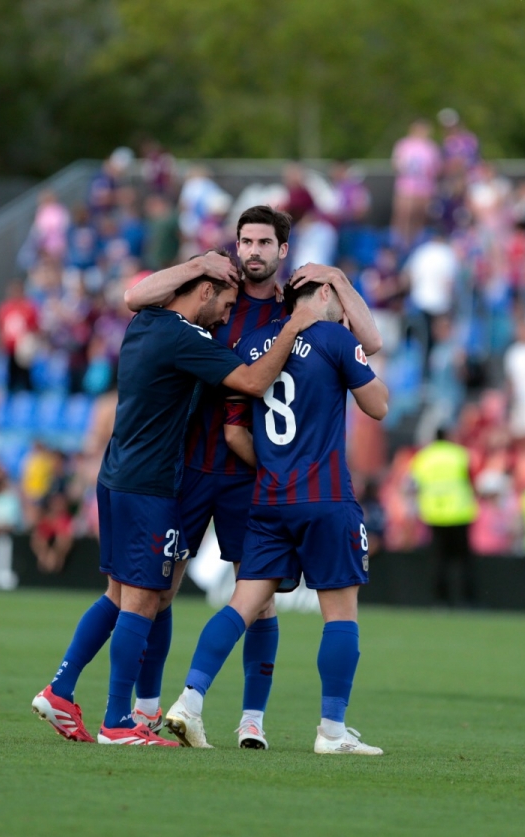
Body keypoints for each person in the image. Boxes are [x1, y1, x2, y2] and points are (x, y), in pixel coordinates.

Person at [31, 250, 318, 746]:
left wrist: (195, 265)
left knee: (118, 595)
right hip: (151, 485)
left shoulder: (146, 322)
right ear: (205, 291)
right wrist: (293, 328)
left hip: (116, 475)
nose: (228, 316)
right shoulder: (187, 339)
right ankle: (118, 721)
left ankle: (60, 689)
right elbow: (251, 381)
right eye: (225, 304)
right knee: (143, 601)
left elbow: (136, 294)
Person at [125, 207, 381, 748]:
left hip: (251, 478)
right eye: (246, 241)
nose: (254, 251)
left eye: (265, 242)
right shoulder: (218, 288)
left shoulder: (291, 310)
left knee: (256, 600)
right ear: (236, 246)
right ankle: (148, 711)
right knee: (160, 591)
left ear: (283, 250)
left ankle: (249, 721)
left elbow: (369, 339)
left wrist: (335, 279)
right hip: (197, 465)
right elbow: (138, 296)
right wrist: (199, 262)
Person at [408, 428, 479, 606]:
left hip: (434, 513)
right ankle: (466, 600)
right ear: (448, 436)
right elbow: (471, 480)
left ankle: (440, 601)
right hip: (459, 513)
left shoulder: (423, 457)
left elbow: (415, 484)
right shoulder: (460, 454)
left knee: (439, 560)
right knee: (463, 560)